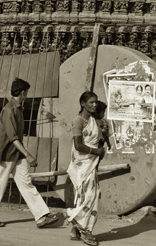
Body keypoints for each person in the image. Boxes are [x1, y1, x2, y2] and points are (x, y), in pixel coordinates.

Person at [0, 78, 58, 228]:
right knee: (0, 184)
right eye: (26, 92)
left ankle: (41, 216)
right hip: (8, 153)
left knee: (26, 184)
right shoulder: (9, 110)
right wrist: (28, 154)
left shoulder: (18, 108)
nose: (27, 95)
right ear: (23, 93)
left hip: (17, 154)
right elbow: (13, 138)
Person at [66, 91, 106, 246]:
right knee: (89, 195)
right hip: (81, 164)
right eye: (91, 102)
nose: (94, 105)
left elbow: (99, 140)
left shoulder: (95, 121)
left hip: (91, 164)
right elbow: (78, 145)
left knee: (92, 194)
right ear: (83, 104)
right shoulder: (78, 121)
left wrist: (100, 150)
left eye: (96, 102)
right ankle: (85, 230)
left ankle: (77, 229)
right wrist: (96, 151)